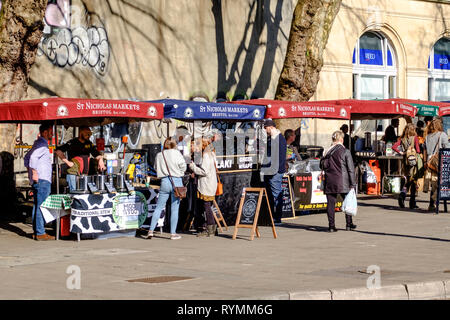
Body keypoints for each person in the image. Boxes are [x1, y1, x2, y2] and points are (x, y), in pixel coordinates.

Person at [145, 137, 187, 240]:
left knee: (159, 207)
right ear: (174, 144)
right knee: (174, 208)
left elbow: (155, 167)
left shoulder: (160, 154)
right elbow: (183, 166)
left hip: (164, 181)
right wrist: (179, 173)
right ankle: (173, 233)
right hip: (176, 181)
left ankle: (151, 230)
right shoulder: (177, 153)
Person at [320, 130, 357, 232]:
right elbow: (350, 169)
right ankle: (349, 224)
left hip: (330, 181)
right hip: (343, 181)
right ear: (341, 139)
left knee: (330, 204)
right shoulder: (345, 151)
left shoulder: (327, 151)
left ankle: (331, 226)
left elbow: (322, 165)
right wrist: (353, 183)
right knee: (348, 202)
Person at [24, 122, 55, 240]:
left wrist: (30, 172)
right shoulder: (42, 145)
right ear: (45, 132)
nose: (52, 134)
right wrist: (34, 172)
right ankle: (40, 232)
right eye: (51, 131)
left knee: (37, 205)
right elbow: (32, 158)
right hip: (42, 180)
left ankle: (37, 231)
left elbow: (27, 157)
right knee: (41, 206)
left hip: (39, 180)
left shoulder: (38, 144)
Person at [55, 126, 106, 192]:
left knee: (85, 193)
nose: (89, 136)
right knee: (73, 193)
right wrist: (67, 162)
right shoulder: (72, 142)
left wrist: (100, 160)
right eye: (87, 134)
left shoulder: (89, 143)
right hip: (73, 173)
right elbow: (58, 151)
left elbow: (97, 154)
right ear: (80, 133)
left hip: (85, 174)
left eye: (90, 134)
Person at [189, 138, 218, 237]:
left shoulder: (206, 156)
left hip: (206, 184)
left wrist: (193, 167)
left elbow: (204, 171)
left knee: (207, 206)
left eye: (196, 146)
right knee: (206, 206)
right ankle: (211, 227)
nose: (195, 148)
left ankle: (210, 228)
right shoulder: (211, 154)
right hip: (210, 183)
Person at [261, 119, 287, 225]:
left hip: (274, 171)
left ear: (270, 127)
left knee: (276, 195)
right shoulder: (275, 138)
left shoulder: (276, 138)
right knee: (273, 195)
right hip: (274, 171)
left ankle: (277, 218)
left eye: (265, 128)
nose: (265, 130)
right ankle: (273, 217)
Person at [392, 123, 421, 209]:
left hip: (406, 162)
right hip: (413, 163)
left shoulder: (402, 139)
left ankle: (402, 195)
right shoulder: (415, 138)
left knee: (408, 180)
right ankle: (412, 202)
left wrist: (402, 152)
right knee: (413, 181)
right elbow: (418, 150)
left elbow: (394, 147)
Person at [424, 118, 450, 211]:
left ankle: (432, 204)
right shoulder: (442, 135)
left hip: (429, 162)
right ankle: (434, 202)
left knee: (434, 183)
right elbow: (447, 148)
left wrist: (425, 162)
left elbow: (425, 150)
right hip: (439, 161)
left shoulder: (427, 136)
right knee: (439, 183)